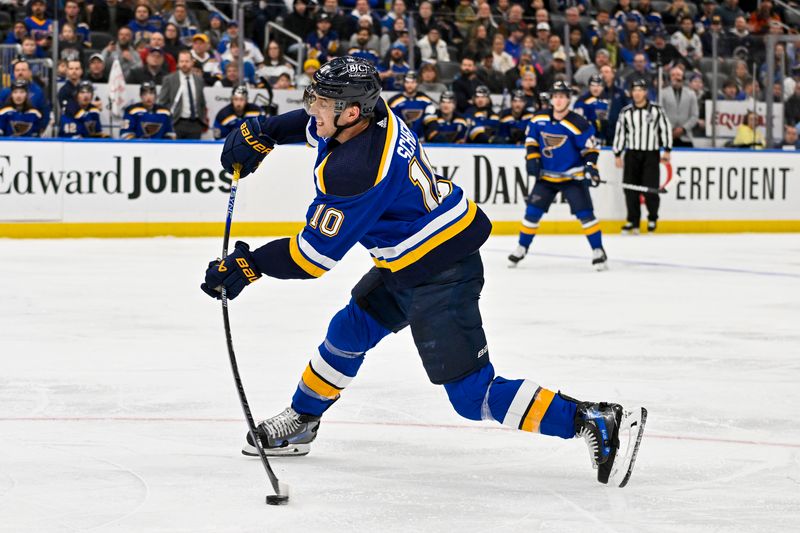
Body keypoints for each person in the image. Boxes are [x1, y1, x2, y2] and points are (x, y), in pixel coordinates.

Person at [204, 56, 646, 488]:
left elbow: (310, 258)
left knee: (473, 396)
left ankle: (593, 419)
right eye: (314, 99)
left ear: (352, 112)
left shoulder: (356, 168)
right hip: (410, 257)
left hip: (442, 270)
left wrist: (249, 264)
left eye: (320, 103)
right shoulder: (367, 112)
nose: (312, 110)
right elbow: (305, 122)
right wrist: (263, 131)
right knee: (348, 332)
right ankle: (303, 419)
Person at [508, 81, 607, 270]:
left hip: (572, 178)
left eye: (563, 96)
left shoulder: (579, 123)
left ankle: (598, 250)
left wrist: (590, 166)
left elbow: (591, 148)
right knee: (532, 213)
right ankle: (521, 247)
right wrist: (532, 158)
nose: (559, 100)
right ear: (552, 99)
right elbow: (531, 139)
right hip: (546, 178)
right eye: (556, 96)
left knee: (586, 215)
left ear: (568, 99)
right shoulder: (539, 119)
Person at [612, 79, 672, 234]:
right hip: (632, 154)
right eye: (634, 90)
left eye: (640, 90)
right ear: (631, 93)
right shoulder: (625, 112)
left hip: (650, 154)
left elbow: (665, 129)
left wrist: (667, 150)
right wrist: (617, 153)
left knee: (650, 188)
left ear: (645, 92)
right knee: (630, 188)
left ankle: (652, 218)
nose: (637, 93)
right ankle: (633, 221)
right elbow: (620, 133)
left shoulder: (656, 110)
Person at [158, 49, 207, 139]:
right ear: (178, 63)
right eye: (181, 61)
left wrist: (201, 120)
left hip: (196, 124)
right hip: (177, 122)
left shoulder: (199, 80)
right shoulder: (169, 79)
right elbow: (162, 102)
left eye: (187, 61)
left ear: (192, 62)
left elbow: (202, 102)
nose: (184, 64)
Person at [387, 71, 435, 138]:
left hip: (421, 139)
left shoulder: (426, 100)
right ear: (403, 83)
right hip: (400, 138)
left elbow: (431, 123)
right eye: (407, 82)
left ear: (417, 83)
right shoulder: (394, 101)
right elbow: (392, 122)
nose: (410, 85)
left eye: (413, 82)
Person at [661, 66, 698, 148]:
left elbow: (694, 116)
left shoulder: (691, 94)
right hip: (667, 136)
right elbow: (660, 114)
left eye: (678, 75)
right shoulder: (662, 93)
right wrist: (670, 129)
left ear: (683, 77)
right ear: (669, 78)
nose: (676, 77)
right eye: (673, 75)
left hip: (686, 137)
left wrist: (683, 129)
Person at [574, 74, 611, 144]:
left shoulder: (608, 99)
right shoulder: (581, 101)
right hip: (588, 139)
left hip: (606, 138)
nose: (595, 88)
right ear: (589, 86)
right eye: (593, 85)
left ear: (603, 87)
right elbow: (577, 122)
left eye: (598, 85)